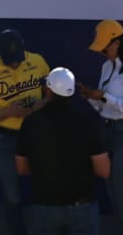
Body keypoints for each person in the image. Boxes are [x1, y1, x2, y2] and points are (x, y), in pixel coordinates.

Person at [15, 67, 110, 235]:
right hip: (82, 208)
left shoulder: (30, 122)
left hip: (44, 208)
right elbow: (104, 170)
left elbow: (21, 168)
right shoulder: (87, 122)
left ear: (48, 90)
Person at [0, 28, 50, 235]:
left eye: (18, 58)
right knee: (12, 195)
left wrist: (37, 106)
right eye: (11, 60)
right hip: (5, 140)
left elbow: (52, 95)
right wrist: (10, 111)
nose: (15, 64)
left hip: (35, 135)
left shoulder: (38, 61)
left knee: (44, 188)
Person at [79, 20, 123, 235]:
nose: (102, 52)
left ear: (117, 42)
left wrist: (105, 97)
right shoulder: (107, 66)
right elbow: (104, 107)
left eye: (105, 47)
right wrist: (90, 97)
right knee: (118, 203)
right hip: (108, 133)